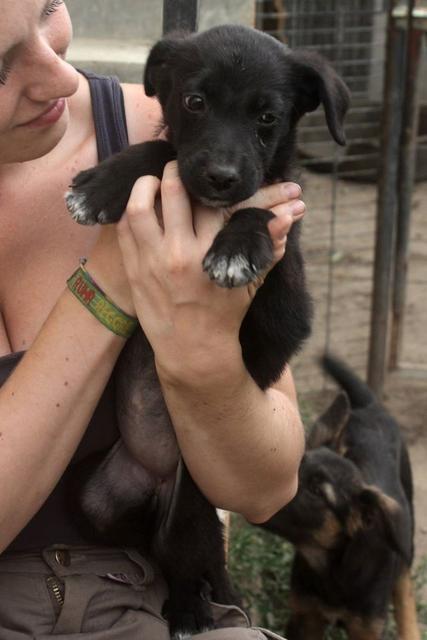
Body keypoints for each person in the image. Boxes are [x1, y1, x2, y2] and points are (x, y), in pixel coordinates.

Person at [0, 0, 306, 637]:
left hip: (156, 592)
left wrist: (204, 349)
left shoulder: (152, 125)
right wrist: (113, 279)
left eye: (50, 7)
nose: (59, 73)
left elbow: (265, 486)